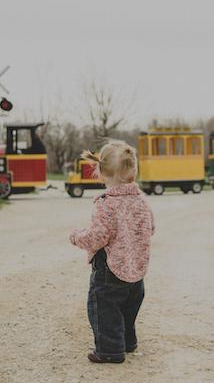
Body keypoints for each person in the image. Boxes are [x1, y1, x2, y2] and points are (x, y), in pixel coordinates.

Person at [69, 140, 155, 364]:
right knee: (128, 307)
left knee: (104, 307)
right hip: (136, 268)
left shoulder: (106, 203)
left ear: (101, 172)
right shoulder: (142, 201)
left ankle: (109, 349)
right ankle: (127, 342)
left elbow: (97, 237)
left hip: (110, 269)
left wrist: (77, 236)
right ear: (133, 171)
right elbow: (150, 228)